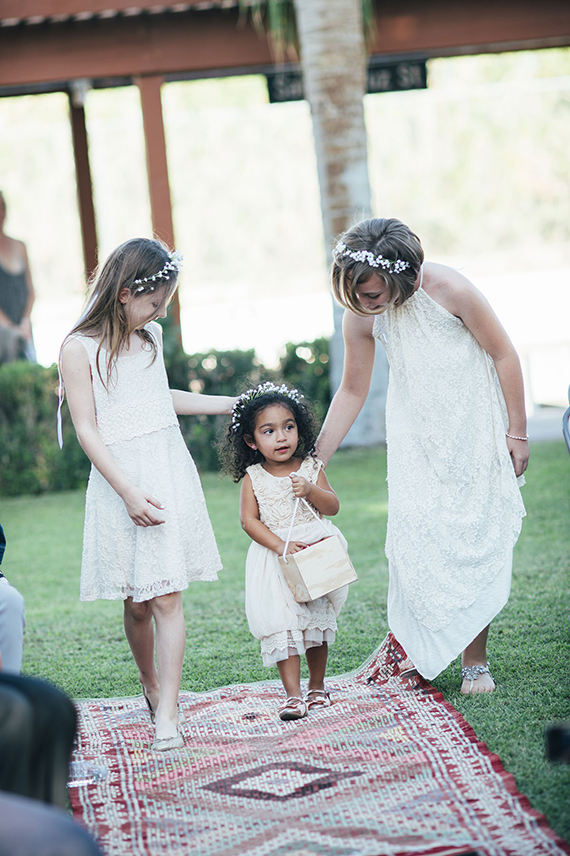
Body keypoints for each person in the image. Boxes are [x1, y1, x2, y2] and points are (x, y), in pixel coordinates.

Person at [316, 218, 528, 694]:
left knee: (470, 537)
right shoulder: (361, 314)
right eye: (358, 296)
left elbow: (504, 354)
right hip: (414, 436)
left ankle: (475, 663)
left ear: (403, 276)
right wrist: (317, 459)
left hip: (473, 426)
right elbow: (352, 389)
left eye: (373, 294)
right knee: (413, 538)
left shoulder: (451, 289)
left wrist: (518, 432)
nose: (365, 304)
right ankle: (418, 653)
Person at [59, 237, 236, 750]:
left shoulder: (152, 337)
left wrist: (233, 403)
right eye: (154, 301)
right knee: (137, 602)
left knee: (167, 596)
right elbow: (87, 430)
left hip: (165, 470)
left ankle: (169, 716)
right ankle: (150, 685)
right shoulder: (79, 347)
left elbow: (162, 400)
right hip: (120, 480)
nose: (160, 310)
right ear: (122, 294)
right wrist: (128, 492)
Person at [220, 381, 348, 720]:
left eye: (288, 427)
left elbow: (332, 506)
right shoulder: (254, 477)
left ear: (299, 429)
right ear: (251, 441)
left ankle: (317, 686)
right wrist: (280, 545)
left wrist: (310, 490)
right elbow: (249, 521)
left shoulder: (310, 468)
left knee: (315, 622)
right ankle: (293, 695)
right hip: (276, 558)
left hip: (314, 553)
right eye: (269, 431)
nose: (281, 437)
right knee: (284, 625)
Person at [0, 191, 36, 364]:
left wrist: (25, 321)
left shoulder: (19, 246)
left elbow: (30, 289)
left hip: (24, 328)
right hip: (4, 333)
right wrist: (10, 328)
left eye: (2, 207)